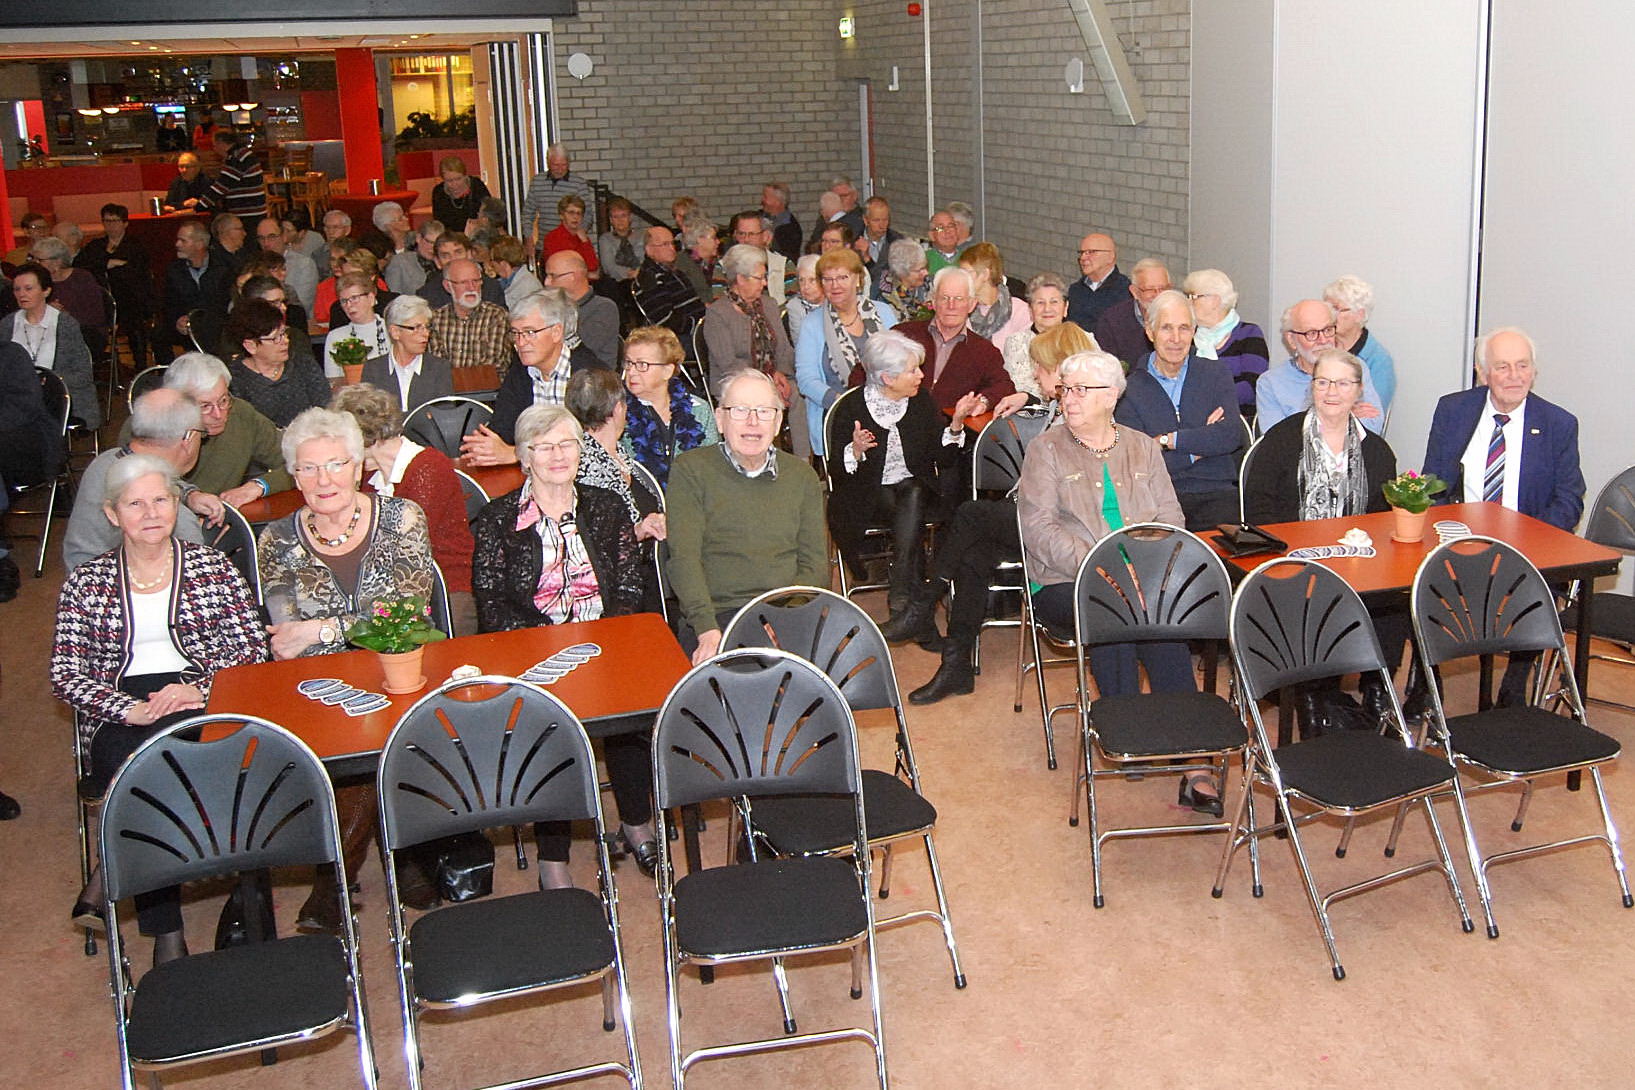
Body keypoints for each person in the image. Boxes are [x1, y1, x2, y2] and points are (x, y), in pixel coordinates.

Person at [52, 453, 266, 966]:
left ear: (176, 505)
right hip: (123, 710)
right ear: (112, 514)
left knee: (157, 777)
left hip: (201, 700)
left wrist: (198, 689)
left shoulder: (212, 568)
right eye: (135, 504)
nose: (150, 513)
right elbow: (65, 673)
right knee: (141, 768)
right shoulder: (87, 582)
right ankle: (166, 930)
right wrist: (126, 708)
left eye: (160, 500)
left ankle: (116, 871)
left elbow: (252, 650)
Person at [257, 406, 440, 930]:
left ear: (359, 466)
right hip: (318, 684)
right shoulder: (277, 540)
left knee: (373, 735)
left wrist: (321, 630)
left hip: (399, 669)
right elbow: (286, 639)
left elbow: (406, 614)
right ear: (294, 476)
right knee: (355, 736)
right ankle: (400, 856)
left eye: (335, 464)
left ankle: (333, 881)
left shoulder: (402, 518)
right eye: (309, 468)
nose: (324, 479)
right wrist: (342, 631)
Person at [1017, 349, 1220, 812]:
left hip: (1142, 575)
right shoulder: (1046, 449)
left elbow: (1171, 519)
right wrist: (1102, 568)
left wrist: (1147, 569)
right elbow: (1040, 530)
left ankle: (1194, 759)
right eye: (1065, 389)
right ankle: (1127, 727)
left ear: (1111, 397)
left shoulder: (1142, 446)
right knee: (1116, 606)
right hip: (1065, 578)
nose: (1069, 399)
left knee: (1163, 618)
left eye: (1080, 390)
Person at [467, 403, 651, 882]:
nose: (557, 455)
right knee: (550, 727)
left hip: (605, 644)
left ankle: (637, 824)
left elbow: (630, 585)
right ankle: (554, 856)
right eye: (544, 447)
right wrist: (547, 649)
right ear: (524, 456)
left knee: (628, 713)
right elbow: (491, 605)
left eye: (567, 444)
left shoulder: (606, 508)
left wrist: (604, 640)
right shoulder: (498, 520)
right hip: (536, 655)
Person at [906, 322, 1086, 704]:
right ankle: (956, 665)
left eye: (1039, 367)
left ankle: (925, 600)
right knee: (974, 553)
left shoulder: (1081, 417)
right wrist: (1027, 395)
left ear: (1059, 369)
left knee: (970, 514)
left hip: (1056, 527)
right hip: (1031, 512)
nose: (1034, 372)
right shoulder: (1058, 408)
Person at [1423, 326, 1584, 702]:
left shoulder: (1559, 424)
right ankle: (1426, 686)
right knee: (1415, 583)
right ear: (1483, 373)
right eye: (1503, 367)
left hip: (1527, 547)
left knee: (1538, 587)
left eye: (1522, 366)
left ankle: (1514, 686)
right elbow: (1433, 485)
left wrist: (1528, 540)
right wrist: (1446, 534)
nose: (1514, 376)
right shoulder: (1454, 410)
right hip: (1460, 542)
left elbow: (1569, 500)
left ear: (1534, 371)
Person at [667, 369, 827, 663]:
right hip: (718, 615)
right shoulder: (691, 471)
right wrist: (706, 628)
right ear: (720, 419)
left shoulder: (801, 476)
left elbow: (814, 565)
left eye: (764, 411)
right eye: (740, 410)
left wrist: (786, 619)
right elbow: (683, 559)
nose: (752, 422)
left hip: (786, 610)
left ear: (777, 422)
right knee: (746, 682)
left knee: (838, 674)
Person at [827, 330, 976, 640]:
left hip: (914, 495)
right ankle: (911, 606)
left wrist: (956, 423)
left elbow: (943, 458)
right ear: (887, 378)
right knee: (912, 502)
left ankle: (902, 601)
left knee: (914, 493)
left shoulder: (920, 402)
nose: (921, 375)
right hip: (868, 497)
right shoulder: (851, 408)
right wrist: (855, 451)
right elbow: (838, 475)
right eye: (913, 370)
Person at [331, 383, 475, 635]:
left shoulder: (429, 467)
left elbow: (405, 546)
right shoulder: (370, 478)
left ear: (366, 438)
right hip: (388, 590)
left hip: (444, 587)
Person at [1114, 290, 1243, 530]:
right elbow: (1138, 460)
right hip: (1157, 497)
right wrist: (1200, 447)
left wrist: (1167, 440)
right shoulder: (1129, 389)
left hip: (1216, 492)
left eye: (1184, 328)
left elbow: (1230, 436)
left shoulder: (1215, 374)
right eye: (1166, 328)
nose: (1176, 338)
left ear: (1193, 332)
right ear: (1150, 332)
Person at [64, 389, 216, 569]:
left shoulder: (105, 462)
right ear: (188, 439)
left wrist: (189, 494)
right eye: (201, 434)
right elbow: (198, 577)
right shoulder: (176, 522)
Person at [464, 289, 603, 463]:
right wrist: (486, 447)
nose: (520, 343)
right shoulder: (521, 371)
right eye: (515, 333)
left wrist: (516, 454)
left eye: (530, 332)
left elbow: (595, 450)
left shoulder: (591, 376)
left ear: (556, 332)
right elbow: (502, 430)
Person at [794, 247, 898, 454]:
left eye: (842, 277)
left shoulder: (884, 312)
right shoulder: (811, 324)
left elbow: (900, 362)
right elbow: (806, 380)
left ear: (858, 279)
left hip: (889, 407)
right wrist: (844, 404)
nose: (835, 285)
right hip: (839, 412)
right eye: (828, 279)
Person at [701, 243, 802, 452]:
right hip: (735, 382)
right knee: (759, 401)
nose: (764, 283)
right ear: (740, 278)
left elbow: (784, 348)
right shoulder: (718, 313)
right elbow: (728, 363)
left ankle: (802, 460)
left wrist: (781, 373)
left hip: (774, 376)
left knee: (799, 395)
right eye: (760, 278)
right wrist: (766, 381)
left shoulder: (770, 305)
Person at [161, 351, 292, 506]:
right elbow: (145, 486)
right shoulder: (154, 427)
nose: (218, 414)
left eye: (223, 400)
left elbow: (300, 463)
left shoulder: (241, 414)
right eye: (205, 406)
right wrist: (189, 497)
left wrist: (258, 486)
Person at [889, 265, 1017, 417]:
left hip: (950, 427)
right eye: (944, 298)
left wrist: (983, 402)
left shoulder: (985, 351)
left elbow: (1004, 386)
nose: (951, 306)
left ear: (972, 304)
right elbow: (868, 372)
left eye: (959, 299)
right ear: (933, 302)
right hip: (895, 422)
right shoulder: (903, 335)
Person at [1257, 299, 1384, 434]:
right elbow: (1276, 438)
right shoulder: (1270, 383)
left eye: (1328, 330)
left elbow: (1373, 424)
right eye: (1312, 333)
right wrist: (1344, 414)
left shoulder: (1355, 367)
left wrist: (1304, 422)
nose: (1323, 340)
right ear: (1291, 339)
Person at [0, 262, 102, 429]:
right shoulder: (7, 324)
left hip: (56, 396)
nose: (21, 294)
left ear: (46, 291)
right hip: (17, 398)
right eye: (17, 289)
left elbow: (83, 374)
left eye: (28, 288)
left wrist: (50, 381)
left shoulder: (65, 325)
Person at [621, 325, 720, 486]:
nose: (631, 372)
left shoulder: (699, 410)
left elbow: (712, 468)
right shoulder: (617, 412)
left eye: (642, 364)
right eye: (629, 363)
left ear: (667, 371)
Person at [225, 298, 330, 427]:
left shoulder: (303, 363)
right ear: (250, 345)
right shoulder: (234, 379)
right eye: (276, 338)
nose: (285, 341)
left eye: (284, 333)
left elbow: (326, 407)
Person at [76, 204, 154, 366]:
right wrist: (107, 263)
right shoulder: (96, 245)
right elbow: (79, 265)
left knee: (133, 315)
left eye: (115, 221)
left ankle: (140, 364)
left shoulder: (136, 245)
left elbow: (137, 271)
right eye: (107, 221)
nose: (110, 225)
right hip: (102, 298)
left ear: (125, 223)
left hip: (131, 298)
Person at [1184, 267, 1269, 415]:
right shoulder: (1187, 338)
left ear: (1215, 300)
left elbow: (1252, 387)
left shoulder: (1249, 334)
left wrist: (1207, 402)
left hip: (1238, 419)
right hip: (1191, 418)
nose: (1188, 302)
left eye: (1193, 296)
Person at [361, 294, 454, 413]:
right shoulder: (373, 369)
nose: (426, 334)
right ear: (395, 332)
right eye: (417, 327)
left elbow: (444, 414)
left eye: (426, 327)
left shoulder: (439, 368)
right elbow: (368, 416)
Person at [428, 256, 511, 376]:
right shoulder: (436, 320)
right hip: (446, 387)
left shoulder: (496, 316)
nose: (471, 288)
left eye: (476, 281)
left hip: (486, 387)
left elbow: (492, 368)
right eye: (463, 282)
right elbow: (437, 368)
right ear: (447, 286)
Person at [1324, 274, 1396, 412]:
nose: (1330, 316)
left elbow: (1372, 413)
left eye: (1337, 309)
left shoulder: (1379, 361)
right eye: (1328, 309)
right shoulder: (1321, 349)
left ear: (1360, 315)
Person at [162, 221, 233, 356]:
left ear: (200, 244)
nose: (177, 244)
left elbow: (223, 305)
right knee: (159, 334)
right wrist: (177, 320)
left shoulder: (223, 268)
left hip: (215, 327)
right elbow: (168, 304)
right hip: (185, 328)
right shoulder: (174, 270)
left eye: (183, 241)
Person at [28, 238, 108, 358]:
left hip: (85, 332)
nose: (35, 264)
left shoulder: (82, 278)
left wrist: (64, 315)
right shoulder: (37, 281)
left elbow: (95, 316)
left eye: (40, 260)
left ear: (57, 262)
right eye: (33, 259)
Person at [543, 249, 619, 369]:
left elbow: (579, 349)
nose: (546, 282)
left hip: (593, 376)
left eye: (553, 276)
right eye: (546, 276)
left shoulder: (604, 308)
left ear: (573, 276)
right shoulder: (550, 306)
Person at [1002, 272, 1073, 397]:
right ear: (1030, 310)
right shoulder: (1016, 342)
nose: (1047, 309)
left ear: (1065, 307)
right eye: (1040, 303)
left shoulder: (1083, 338)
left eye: (1054, 302)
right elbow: (1020, 387)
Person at [1093, 257, 1171, 367]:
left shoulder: (1182, 317)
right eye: (1149, 289)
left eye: (1163, 288)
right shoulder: (1111, 322)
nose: (1158, 294)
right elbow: (1107, 369)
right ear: (1134, 292)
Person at [633, 225, 706, 341]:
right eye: (665, 244)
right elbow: (665, 322)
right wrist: (699, 327)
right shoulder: (649, 278)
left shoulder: (675, 272)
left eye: (673, 243)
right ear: (649, 250)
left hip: (699, 330)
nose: (672, 248)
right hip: (678, 340)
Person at [521, 144, 592, 252]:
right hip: (544, 245)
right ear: (548, 163)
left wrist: (578, 234)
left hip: (571, 246)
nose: (560, 169)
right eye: (556, 165)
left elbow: (587, 215)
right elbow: (528, 213)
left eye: (563, 165)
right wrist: (528, 237)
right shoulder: (537, 182)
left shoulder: (579, 184)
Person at [321, 271, 391, 378]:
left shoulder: (392, 330)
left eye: (354, 298)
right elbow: (332, 379)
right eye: (344, 301)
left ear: (371, 298)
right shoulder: (335, 336)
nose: (349, 305)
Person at [961, 242, 1032, 348]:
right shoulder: (961, 309)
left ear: (985, 274)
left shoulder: (1020, 311)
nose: (960, 278)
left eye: (966, 273)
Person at [416, 231, 505, 310]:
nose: (454, 259)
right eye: (446, 256)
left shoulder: (491, 288)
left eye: (458, 252)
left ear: (469, 254)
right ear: (437, 262)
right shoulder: (426, 296)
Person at [200, 127, 267, 228]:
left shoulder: (236, 158)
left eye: (214, 145)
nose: (214, 149)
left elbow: (221, 187)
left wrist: (199, 206)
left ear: (221, 143)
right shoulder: (243, 154)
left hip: (248, 214)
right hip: (253, 212)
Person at [255, 216, 319, 316]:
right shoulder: (254, 264)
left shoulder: (304, 265)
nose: (266, 243)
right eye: (261, 238)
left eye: (272, 237)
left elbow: (302, 306)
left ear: (284, 236)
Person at [1066, 231, 1129, 331]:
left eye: (1091, 252)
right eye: (1082, 253)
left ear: (1110, 257)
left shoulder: (1125, 292)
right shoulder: (1075, 290)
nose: (1083, 258)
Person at [541, 194, 600, 278]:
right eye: (571, 212)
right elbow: (560, 270)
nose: (575, 217)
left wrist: (585, 242)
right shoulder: (552, 238)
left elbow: (593, 267)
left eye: (579, 213)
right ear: (561, 215)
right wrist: (587, 274)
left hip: (585, 283)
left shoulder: (583, 237)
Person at [431, 155, 491, 235]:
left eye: (458, 179)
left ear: (465, 175)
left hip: (478, 235)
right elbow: (439, 224)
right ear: (443, 179)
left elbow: (489, 213)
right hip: (452, 238)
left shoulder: (477, 186)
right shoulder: (439, 192)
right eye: (449, 181)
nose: (454, 184)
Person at [877, 237, 932, 320]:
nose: (926, 273)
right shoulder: (885, 294)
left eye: (925, 267)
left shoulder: (929, 282)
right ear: (902, 272)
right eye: (920, 270)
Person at [596, 196, 643, 282]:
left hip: (641, 278)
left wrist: (639, 273)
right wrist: (629, 274)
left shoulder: (641, 236)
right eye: (615, 217)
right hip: (616, 282)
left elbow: (645, 260)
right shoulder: (605, 239)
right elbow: (608, 266)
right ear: (611, 220)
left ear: (630, 217)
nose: (620, 220)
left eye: (623, 216)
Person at [491, 234, 545, 309]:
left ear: (503, 264)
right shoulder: (500, 283)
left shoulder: (529, 287)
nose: (491, 264)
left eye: (492, 260)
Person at [784, 253, 824, 341]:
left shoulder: (835, 301)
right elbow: (801, 342)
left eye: (812, 280)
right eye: (801, 280)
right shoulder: (794, 306)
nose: (806, 286)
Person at [761, 180, 803, 263]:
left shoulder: (791, 229)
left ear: (777, 202)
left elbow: (787, 259)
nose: (762, 200)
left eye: (765, 197)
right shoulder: (758, 217)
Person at [924, 209, 968, 275]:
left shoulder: (968, 259)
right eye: (940, 228)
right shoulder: (923, 261)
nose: (947, 231)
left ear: (957, 231)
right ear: (931, 235)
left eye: (951, 226)